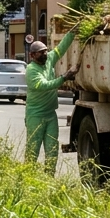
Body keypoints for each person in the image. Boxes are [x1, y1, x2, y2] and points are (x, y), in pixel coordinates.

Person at [25, 35, 77, 174]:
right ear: (32, 55)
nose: (45, 54)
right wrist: (64, 78)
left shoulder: (49, 59)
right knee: (32, 149)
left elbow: (61, 48)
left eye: (46, 51)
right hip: (35, 116)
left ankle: (49, 178)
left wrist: (72, 32)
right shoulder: (31, 70)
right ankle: (26, 177)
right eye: (41, 52)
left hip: (50, 114)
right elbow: (44, 85)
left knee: (52, 148)